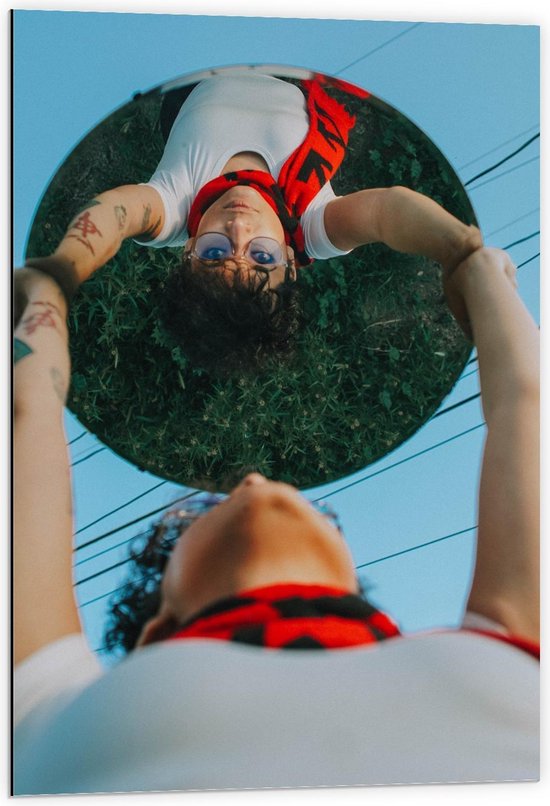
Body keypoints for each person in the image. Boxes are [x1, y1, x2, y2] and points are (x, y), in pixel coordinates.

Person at [13, 245, 539, 794]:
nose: (254, 480)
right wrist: (483, 278)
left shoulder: (44, 701)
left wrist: (42, 301)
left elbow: (30, 418)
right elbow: (525, 406)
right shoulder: (501, 646)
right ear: (156, 631)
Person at [24, 72, 482, 372]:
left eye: (215, 254)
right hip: (299, 76)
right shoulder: (313, 225)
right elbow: (387, 213)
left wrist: (65, 267)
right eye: (262, 257)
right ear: (290, 258)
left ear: (187, 251)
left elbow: (115, 213)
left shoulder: (175, 206)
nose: (238, 231)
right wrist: (457, 249)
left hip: (196, 78)